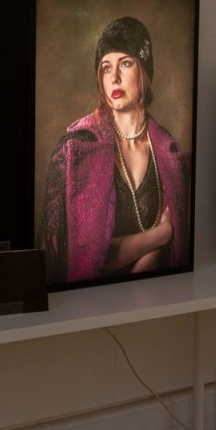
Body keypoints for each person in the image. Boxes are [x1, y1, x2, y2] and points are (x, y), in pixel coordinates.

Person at [39, 16, 190, 284]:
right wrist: (161, 234)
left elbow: (172, 255)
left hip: (154, 295)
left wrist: (153, 252)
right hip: (87, 301)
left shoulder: (171, 156)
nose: (114, 78)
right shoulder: (75, 150)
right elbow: (75, 259)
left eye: (126, 63)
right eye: (106, 68)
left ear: (144, 70)